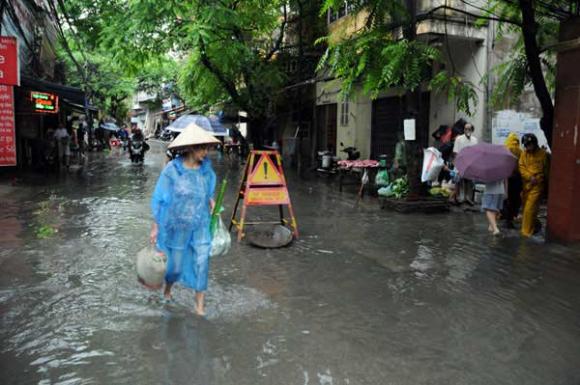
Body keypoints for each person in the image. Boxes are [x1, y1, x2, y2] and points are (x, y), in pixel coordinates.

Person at [150, 125, 219, 316]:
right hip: (177, 225)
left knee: (201, 262)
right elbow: (160, 199)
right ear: (191, 148)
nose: (206, 152)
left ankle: (199, 307)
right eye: (202, 148)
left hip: (200, 225)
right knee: (174, 267)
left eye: (207, 148)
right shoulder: (172, 170)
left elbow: (209, 193)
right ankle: (168, 289)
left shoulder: (206, 171)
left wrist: (212, 202)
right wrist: (155, 226)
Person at [519, 133, 549, 237]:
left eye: (529, 145)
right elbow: (521, 167)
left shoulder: (543, 154)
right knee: (526, 208)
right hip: (526, 184)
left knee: (529, 208)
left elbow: (546, 170)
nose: (527, 147)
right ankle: (534, 226)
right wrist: (529, 177)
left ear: (534, 143)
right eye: (526, 145)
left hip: (537, 185)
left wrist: (545, 184)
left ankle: (526, 232)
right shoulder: (524, 154)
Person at [450, 123, 478, 204]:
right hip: (461, 162)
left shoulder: (474, 140)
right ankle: (457, 197)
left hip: (470, 163)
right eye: (465, 129)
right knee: (458, 181)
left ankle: (467, 197)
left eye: (469, 129)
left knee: (468, 181)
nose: (467, 130)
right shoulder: (459, 138)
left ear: (472, 130)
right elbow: (455, 152)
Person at [502, 133, 523, 228]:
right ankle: (511, 217)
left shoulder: (505, 149)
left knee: (506, 199)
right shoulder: (520, 151)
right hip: (518, 177)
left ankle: (507, 219)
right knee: (515, 199)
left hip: (507, 176)